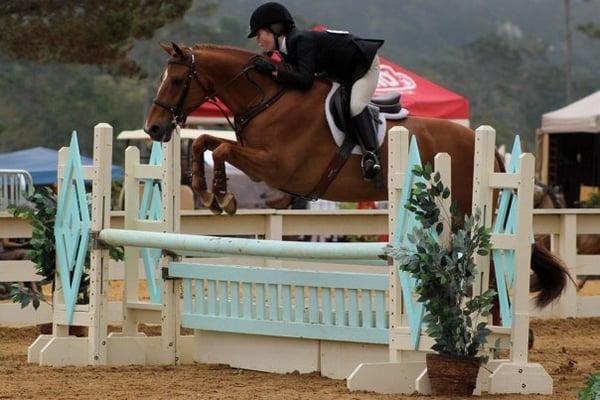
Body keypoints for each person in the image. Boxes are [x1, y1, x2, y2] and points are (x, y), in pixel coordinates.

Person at [248, 2, 384, 180]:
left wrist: (273, 71)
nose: (258, 40)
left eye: (259, 34)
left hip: (364, 65)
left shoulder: (300, 40)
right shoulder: (286, 48)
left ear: (275, 29)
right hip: (341, 71)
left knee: (356, 105)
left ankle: (371, 155)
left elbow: (305, 81)